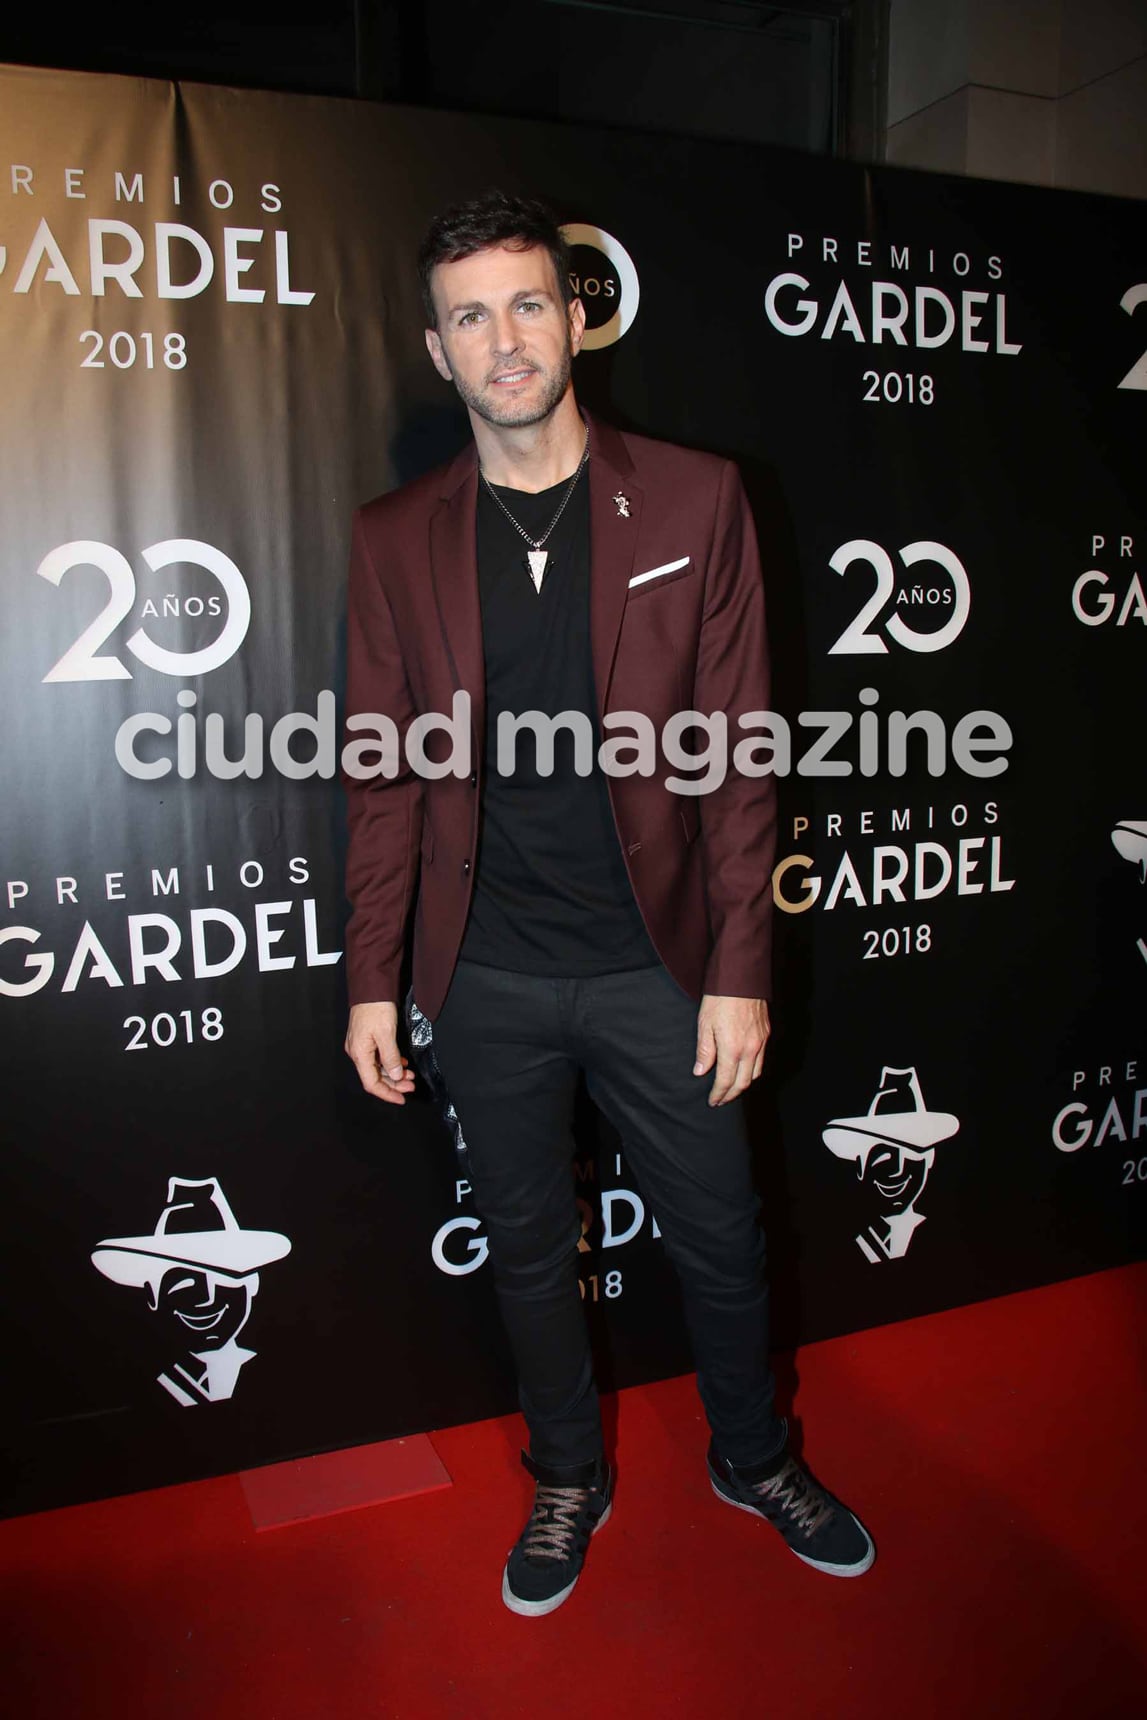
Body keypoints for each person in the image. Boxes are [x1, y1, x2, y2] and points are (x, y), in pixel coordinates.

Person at [342, 190, 874, 1616]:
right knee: (527, 1251)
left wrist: (741, 969)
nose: (505, 340)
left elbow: (741, 754)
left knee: (721, 1238)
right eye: (472, 317)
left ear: (576, 317)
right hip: (485, 976)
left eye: (528, 305)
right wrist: (368, 982)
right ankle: (568, 1476)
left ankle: (753, 1456)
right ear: (437, 350)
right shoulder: (394, 538)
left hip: (664, 966)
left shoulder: (696, 498)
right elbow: (382, 777)